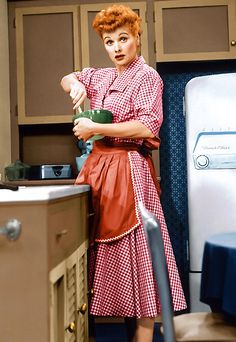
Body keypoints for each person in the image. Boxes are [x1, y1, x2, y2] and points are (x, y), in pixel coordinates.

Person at [61, 4, 186, 341]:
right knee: (92, 249)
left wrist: (92, 126)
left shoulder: (147, 77)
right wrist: (76, 86)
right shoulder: (101, 76)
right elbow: (69, 76)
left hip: (128, 169)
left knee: (140, 254)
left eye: (122, 39)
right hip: (98, 168)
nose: (116, 47)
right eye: (108, 41)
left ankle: (143, 336)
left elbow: (147, 125)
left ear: (136, 38)